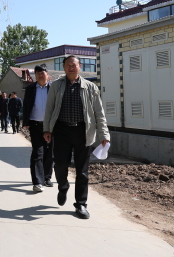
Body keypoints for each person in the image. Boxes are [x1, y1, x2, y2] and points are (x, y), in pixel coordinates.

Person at [43, 55, 109, 220]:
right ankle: (63, 186)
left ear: (80, 66)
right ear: (64, 67)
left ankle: (81, 204)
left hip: (83, 131)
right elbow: (49, 108)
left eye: (74, 65)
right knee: (60, 165)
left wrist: (104, 135)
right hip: (61, 130)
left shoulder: (90, 87)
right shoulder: (56, 85)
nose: (71, 68)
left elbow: (99, 113)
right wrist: (47, 129)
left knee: (82, 171)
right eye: (68, 65)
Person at [23, 64, 54, 192]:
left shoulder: (53, 88)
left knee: (49, 153)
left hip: (51, 125)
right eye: (38, 73)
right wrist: (25, 121)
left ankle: (47, 177)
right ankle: (37, 182)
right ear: (35, 75)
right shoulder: (30, 89)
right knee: (37, 152)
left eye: (43, 73)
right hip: (35, 124)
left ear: (47, 74)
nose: (41, 75)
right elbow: (26, 105)